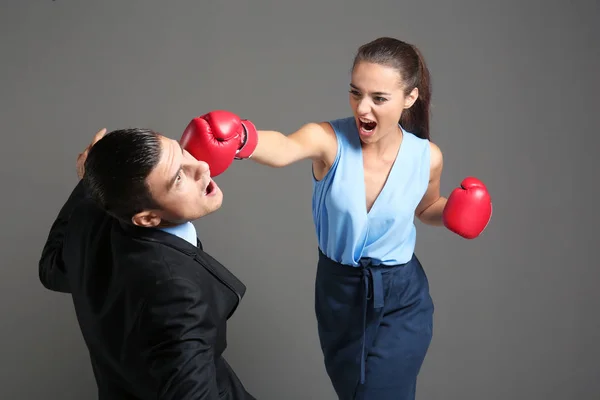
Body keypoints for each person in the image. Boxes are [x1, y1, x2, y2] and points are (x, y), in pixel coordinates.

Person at [179, 37, 492, 400]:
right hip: (341, 294)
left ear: (410, 98)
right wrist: (239, 137)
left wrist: (452, 211)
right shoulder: (328, 140)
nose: (363, 108)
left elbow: (425, 207)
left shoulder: (427, 156)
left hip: (402, 296)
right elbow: (283, 147)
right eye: (356, 93)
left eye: (379, 98)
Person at [38, 127, 256, 400]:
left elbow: (51, 269)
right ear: (147, 219)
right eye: (178, 178)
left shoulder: (91, 216)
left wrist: (90, 182)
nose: (201, 166)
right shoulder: (176, 295)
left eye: (182, 152)